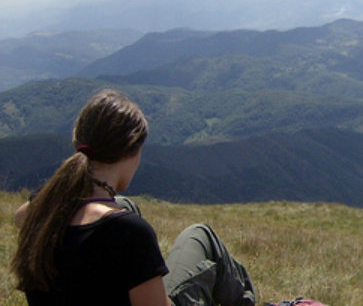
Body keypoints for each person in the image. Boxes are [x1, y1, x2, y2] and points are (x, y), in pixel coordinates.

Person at [12, 89, 256, 306]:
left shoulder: (43, 216)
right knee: (201, 234)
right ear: (131, 149)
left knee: (125, 204)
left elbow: (21, 216)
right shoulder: (129, 233)